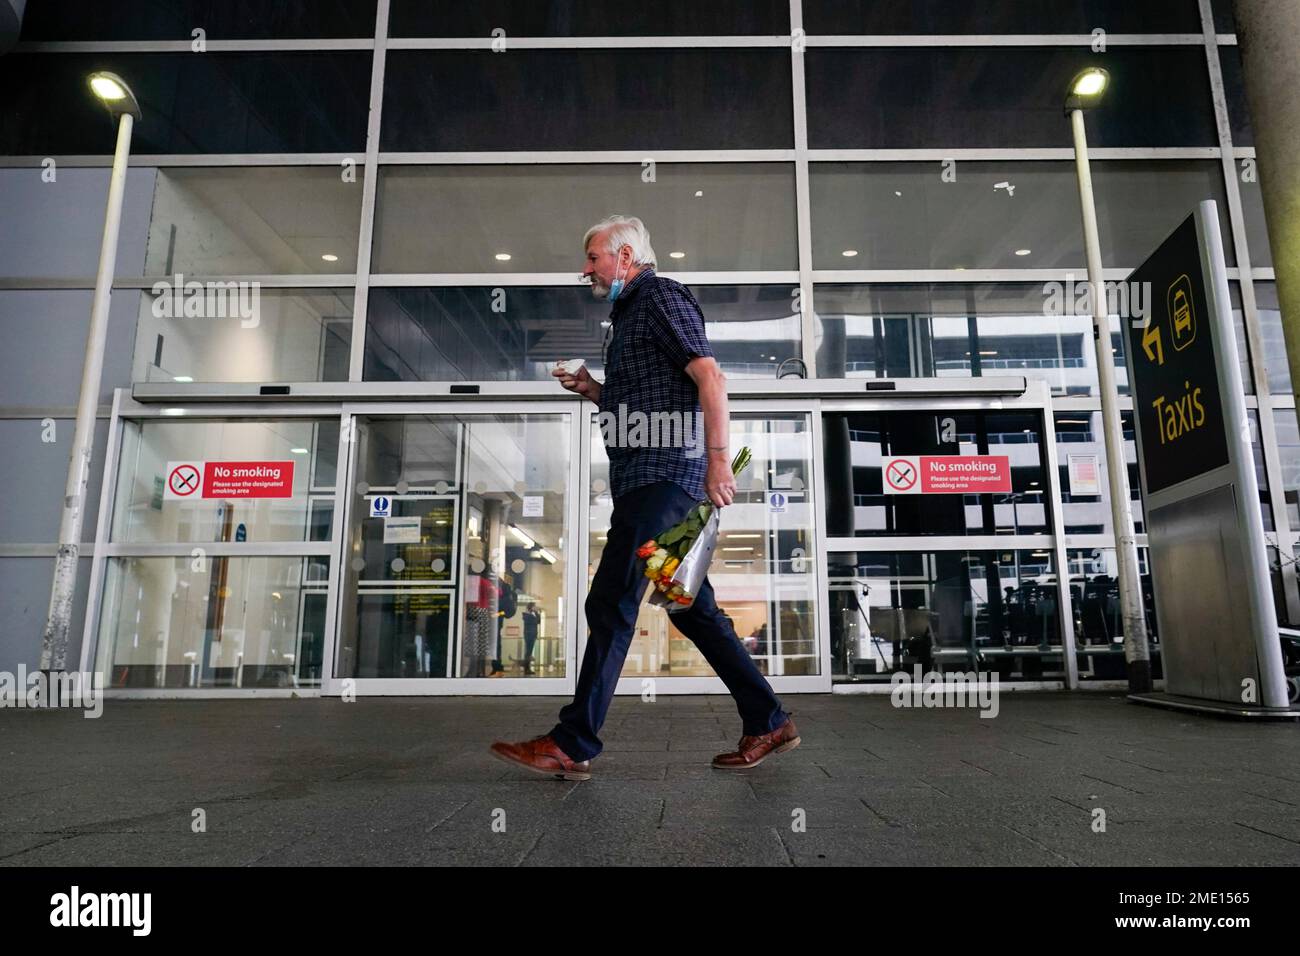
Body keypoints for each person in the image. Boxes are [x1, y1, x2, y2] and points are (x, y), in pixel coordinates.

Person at [490, 215, 799, 780]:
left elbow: (710, 378)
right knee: (691, 609)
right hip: (647, 481)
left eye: (593, 258)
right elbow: (643, 405)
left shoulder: (659, 297)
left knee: (611, 604)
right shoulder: (627, 313)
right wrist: (592, 390)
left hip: (664, 482)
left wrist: (717, 461)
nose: (585, 270)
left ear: (625, 256)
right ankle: (769, 719)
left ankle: (571, 741)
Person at [521, 602, 540, 676]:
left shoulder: (532, 614)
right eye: (535, 607)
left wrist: (536, 612)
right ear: (531, 607)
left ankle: (527, 668)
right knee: (528, 652)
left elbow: (538, 621)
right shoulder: (527, 615)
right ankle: (526, 669)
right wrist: (535, 612)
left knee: (529, 652)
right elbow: (535, 621)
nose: (536, 608)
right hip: (529, 636)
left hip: (532, 635)